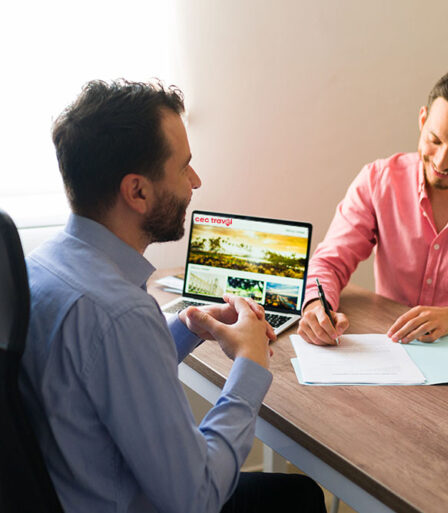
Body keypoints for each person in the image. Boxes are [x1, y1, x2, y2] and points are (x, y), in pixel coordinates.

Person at [19, 80, 326, 512]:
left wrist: (187, 328)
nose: (195, 182)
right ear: (137, 191)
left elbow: (98, 366)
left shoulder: (41, 266)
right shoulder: (121, 315)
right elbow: (196, 497)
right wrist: (250, 365)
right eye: (184, 167)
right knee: (298, 498)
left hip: (72, 488)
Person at [298, 65, 448, 346]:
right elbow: (329, 263)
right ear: (422, 119)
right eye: (434, 140)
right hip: (390, 348)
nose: (442, 162)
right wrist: (315, 307)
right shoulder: (379, 180)